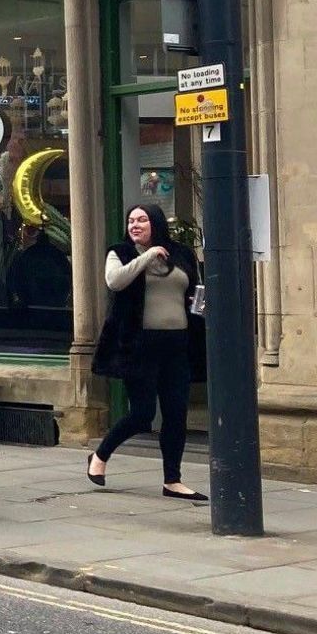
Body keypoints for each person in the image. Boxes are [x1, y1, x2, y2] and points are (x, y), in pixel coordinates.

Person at [88, 203, 206, 502]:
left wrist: (202, 309)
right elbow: (115, 281)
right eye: (130, 220)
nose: (135, 225)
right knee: (142, 414)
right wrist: (148, 256)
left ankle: (173, 480)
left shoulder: (181, 253)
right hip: (139, 346)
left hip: (177, 344)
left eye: (142, 220)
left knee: (177, 414)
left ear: (155, 223)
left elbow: (195, 289)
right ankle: (100, 455)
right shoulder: (121, 253)